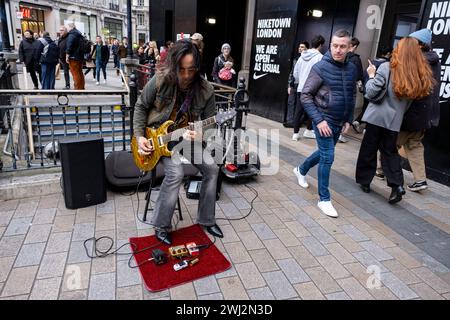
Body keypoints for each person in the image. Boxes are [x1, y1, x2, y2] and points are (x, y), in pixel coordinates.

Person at [133, 40, 223, 245]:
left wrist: (201, 135)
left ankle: (206, 220)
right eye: (181, 70)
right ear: (174, 66)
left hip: (185, 138)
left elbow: (211, 126)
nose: (186, 76)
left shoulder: (206, 90)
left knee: (212, 168)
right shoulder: (160, 80)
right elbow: (140, 107)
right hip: (157, 140)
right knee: (176, 173)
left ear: (197, 68)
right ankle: (162, 226)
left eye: (191, 70)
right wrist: (139, 137)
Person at [355, 37, 435, 204]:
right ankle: (397, 185)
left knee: (369, 149)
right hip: (395, 120)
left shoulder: (386, 67)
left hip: (377, 117)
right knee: (390, 152)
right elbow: (409, 103)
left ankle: (365, 182)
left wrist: (370, 75)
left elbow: (370, 93)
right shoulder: (419, 74)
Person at [293, 30, 357, 218]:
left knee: (323, 153)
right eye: (335, 45)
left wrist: (348, 119)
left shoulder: (352, 68)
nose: (338, 50)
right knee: (328, 157)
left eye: (343, 46)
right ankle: (324, 199)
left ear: (349, 47)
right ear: (330, 45)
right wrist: (318, 120)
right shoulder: (320, 67)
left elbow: (352, 95)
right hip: (324, 121)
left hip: (339, 121)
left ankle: (301, 169)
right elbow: (305, 95)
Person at [397, 29, 441, 192]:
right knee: (414, 144)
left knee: (391, 142)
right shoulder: (434, 60)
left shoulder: (419, 61)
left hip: (413, 112)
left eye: (413, 41)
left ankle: (381, 171)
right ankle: (420, 180)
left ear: (421, 44)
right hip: (427, 114)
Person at [352, 45, 393, 133]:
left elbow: (364, 75)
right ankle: (363, 126)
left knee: (366, 107)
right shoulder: (386, 65)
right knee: (371, 109)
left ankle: (358, 122)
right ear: (389, 53)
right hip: (375, 91)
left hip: (367, 88)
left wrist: (362, 87)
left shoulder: (373, 62)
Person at [292, 35, 325, 141]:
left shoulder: (302, 56)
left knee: (299, 111)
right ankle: (309, 130)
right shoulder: (320, 57)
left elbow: (295, 73)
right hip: (313, 88)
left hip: (301, 87)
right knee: (313, 110)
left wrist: (301, 81)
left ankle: (295, 133)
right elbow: (321, 74)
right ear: (320, 45)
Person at [338, 37, 364, 143]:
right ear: (354, 46)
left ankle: (336, 132)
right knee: (348, 110)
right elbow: (358, 75)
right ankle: (342, 134)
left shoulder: (340, 56)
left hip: (338, 86)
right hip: (349, 88)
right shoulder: (355, 59)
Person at [285, 41, 309, 128]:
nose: (300, 48)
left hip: (302, 85)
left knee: (300, 105)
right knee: (291, 102)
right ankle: (290, 121)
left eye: (302, 47)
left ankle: (297, 122)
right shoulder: (296, 59)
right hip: (294, 84)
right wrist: (289, 85)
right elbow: (292, 73)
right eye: (299, 47)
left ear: (307, 49)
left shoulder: (308, 60)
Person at [66, 23, 85, 90]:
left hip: (73, 57)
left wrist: (67, 55)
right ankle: (81, 87)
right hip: (80, 56)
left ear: (71, 27)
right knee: (80, 72)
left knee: (75, 73)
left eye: (67, 27)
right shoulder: (79, 34)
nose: (67, 29)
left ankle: (77, 89)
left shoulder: (72, 34)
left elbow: (69, 46)